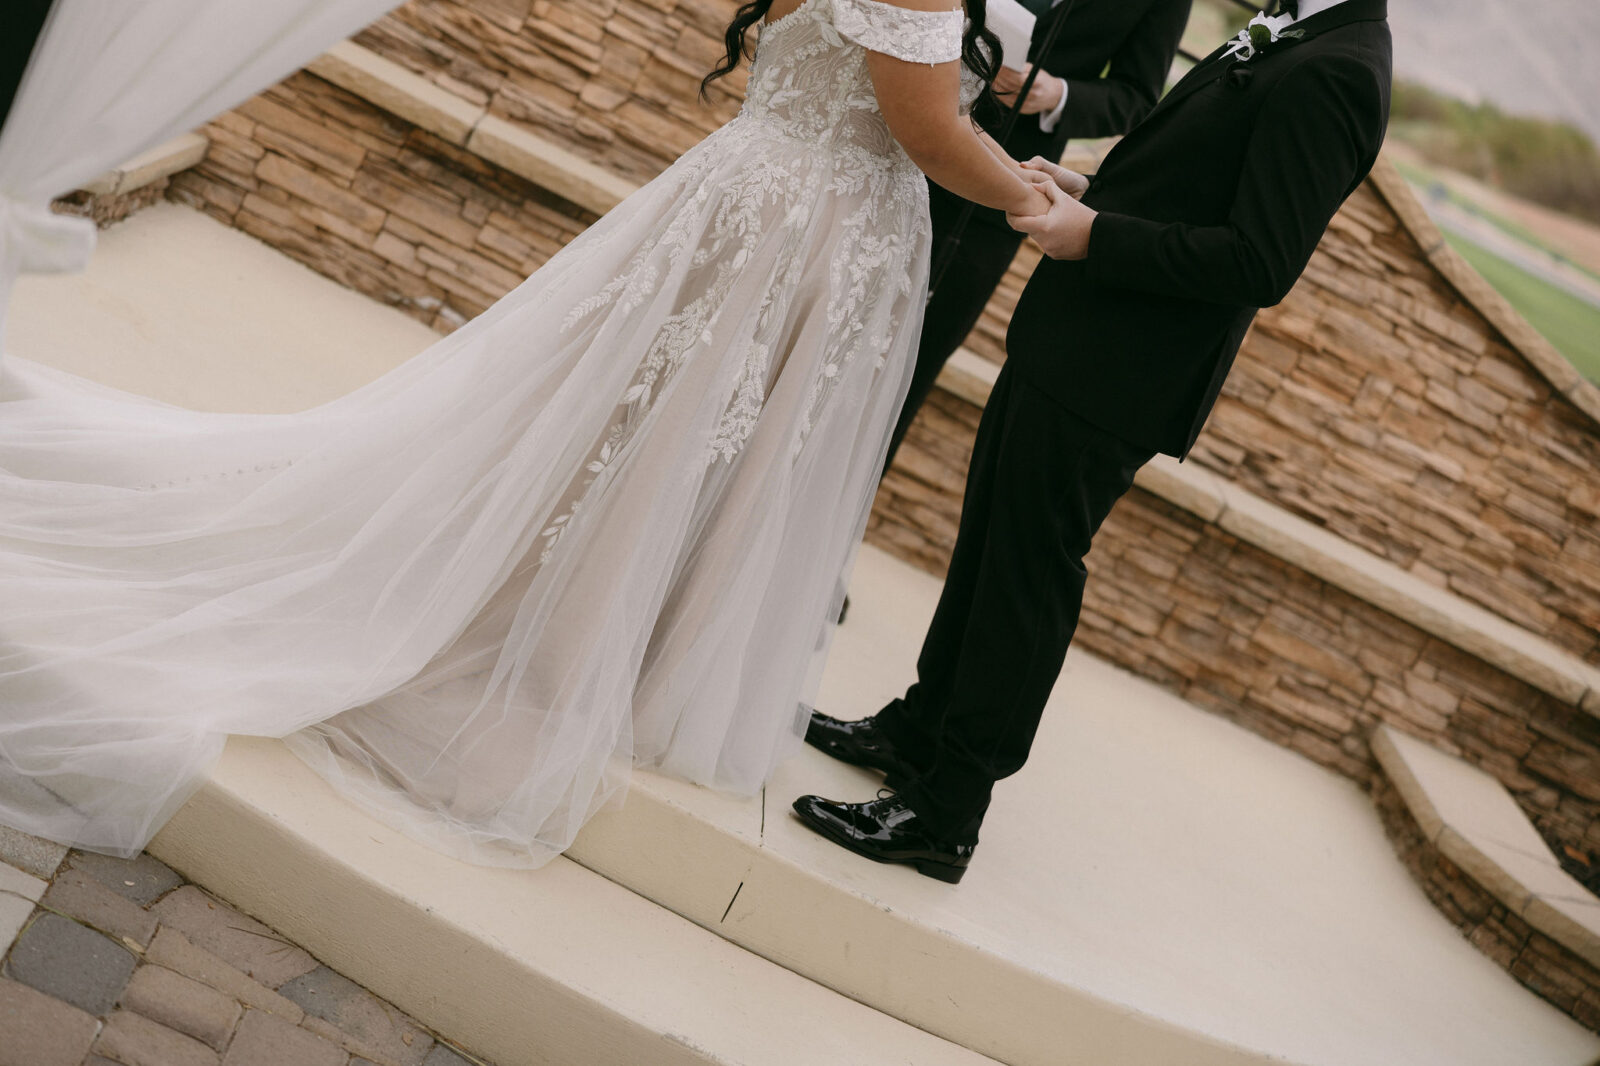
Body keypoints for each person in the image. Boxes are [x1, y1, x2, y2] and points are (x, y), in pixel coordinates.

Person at [0, 0, 1052, 866]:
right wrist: (1034, 198)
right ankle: (556, 652)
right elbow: (921, 128)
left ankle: (597, 638)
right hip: (804, 228)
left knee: (665, 432)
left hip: (770, 202)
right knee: (680, 437)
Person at [795, 0, 1394, 883]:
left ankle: (947, 809)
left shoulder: (1340, 67)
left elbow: (1259, 260)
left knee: (1029, 575)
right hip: (1077, 339)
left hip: (1124, 371)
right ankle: (917, 729)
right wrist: (1093, 195)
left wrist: (1099, 236)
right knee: (991, 540)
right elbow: (1194, 178)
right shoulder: (1294, 32)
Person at [880, 0, 1192, 476]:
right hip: (889, 141)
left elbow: (1136, 97)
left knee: (909, 369)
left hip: (990, 207)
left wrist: (1057, 94)